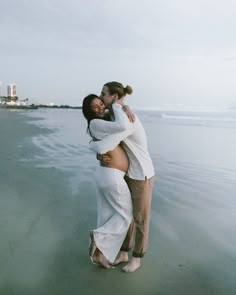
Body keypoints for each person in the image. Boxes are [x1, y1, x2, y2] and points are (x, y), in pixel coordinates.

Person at [90, 81, 155, 272]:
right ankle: (124, 252)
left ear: (115, 97)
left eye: (104, 94)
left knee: (140, 218)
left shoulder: (126, 119)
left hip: (141, 174)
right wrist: (97, 152)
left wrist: (124, 107)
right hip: (126, 172)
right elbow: (106, 140)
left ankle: (137, 258)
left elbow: (110, 137)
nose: (101, 98)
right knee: (128, 216)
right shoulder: (116, 114)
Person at [82, 94, 134, 269]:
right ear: (88, 112)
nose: (100, 108)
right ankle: (98, 236)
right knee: (126, 216)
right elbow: (122, 126)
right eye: (94, 107)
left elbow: (105, 140)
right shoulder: (96, 123)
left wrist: (125, 108)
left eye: (101, 104)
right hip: (111, 176)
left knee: (106, 217)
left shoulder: (102, 123)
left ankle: (99, 256)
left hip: (107, 174)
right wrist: (119, 106)